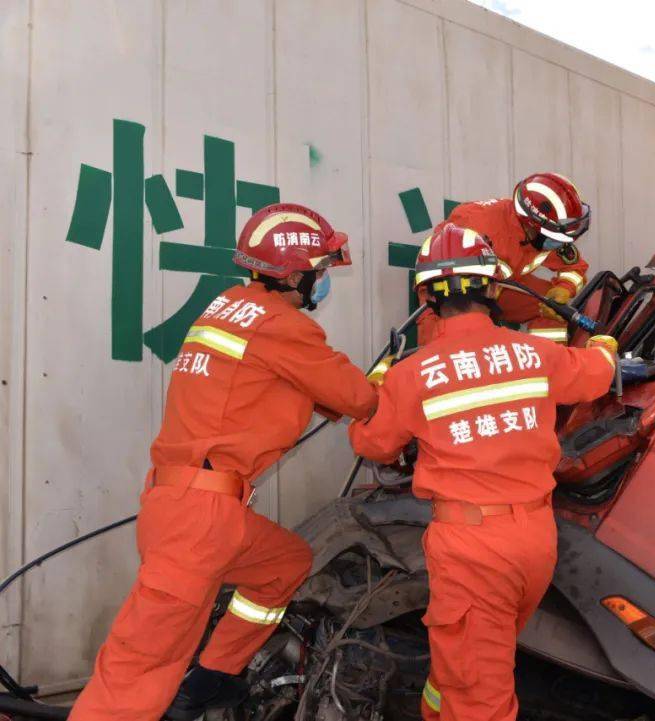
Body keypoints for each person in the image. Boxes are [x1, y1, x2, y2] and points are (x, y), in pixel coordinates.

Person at [69, 204, 379, 721]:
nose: (323, 282)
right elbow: (358, 398)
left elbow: (292, 388)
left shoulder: (228, 308)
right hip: (200, 520)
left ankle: (212, 678)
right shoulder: (283, 326)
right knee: (132, 678)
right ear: (296, 273)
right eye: (320, 271)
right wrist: (391, 382)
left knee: (285, 564)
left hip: (196, 509)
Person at [350, 222, 616, 721]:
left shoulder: (412, 373)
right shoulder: (535, 353)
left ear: (426, 296)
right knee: (472, 661)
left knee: (479, 692)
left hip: (471, 549)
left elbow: (373, 444)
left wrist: (380, 381)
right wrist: (604, 343)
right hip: (536, 539)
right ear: (493, 287)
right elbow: (597, 375)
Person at [416, 172, 592, 345]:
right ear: (532, 226)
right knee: (445, 344)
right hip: (451, 290)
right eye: (559, 237)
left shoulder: (544, 232)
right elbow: (459, 292)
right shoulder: (484, 229)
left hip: (497, 286)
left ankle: (550, 363)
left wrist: (564, 289)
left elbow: (575, 267)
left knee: (552, 308)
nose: (562, 243)